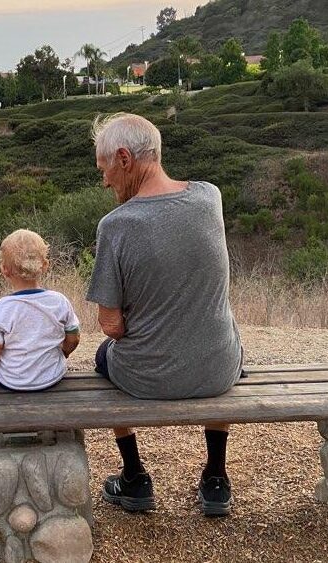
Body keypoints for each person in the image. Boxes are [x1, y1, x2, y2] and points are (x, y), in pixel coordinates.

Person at [87, 113, 243, 517]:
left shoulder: (114, 226)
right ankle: (215, 478)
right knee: (222, 329)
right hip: (218, 370)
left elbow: (111, 325)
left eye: (104, 169)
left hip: (146, 377)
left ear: (124, 159)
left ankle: (135, 476)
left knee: (102, 355)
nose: (104, 182)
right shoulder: (210, 197)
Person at [0, 229, 80, 392]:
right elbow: (73, 338)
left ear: (4, 270)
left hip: (12, 381)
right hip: (52, 377)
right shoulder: (59, 301)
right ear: (45, 265)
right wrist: (63, 353)